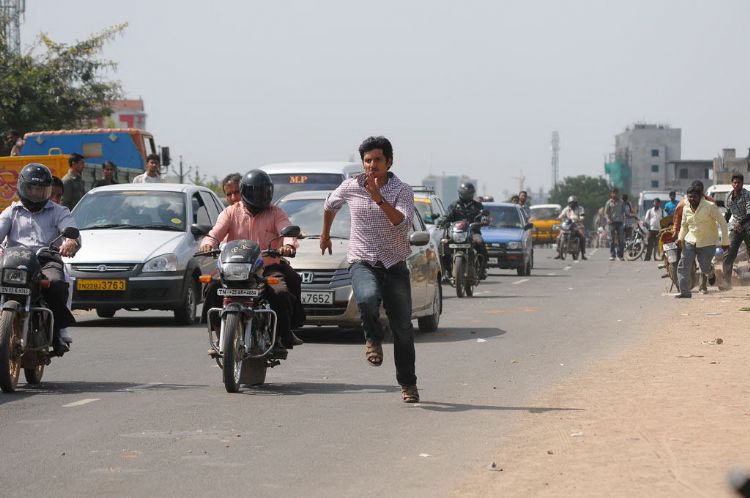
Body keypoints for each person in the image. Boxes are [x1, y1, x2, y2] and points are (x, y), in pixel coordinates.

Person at [320, 136, 419, 403]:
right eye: (367, 160)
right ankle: (373, 339)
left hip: (394, 263)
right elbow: (329, 205)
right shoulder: (351, 186)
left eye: (377, 160)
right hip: (362, 260)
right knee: (366, 297)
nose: (372, 165)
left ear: (389, 162)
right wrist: (325, 235)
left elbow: (402, 224)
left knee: (403, 330)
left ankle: (408, 384)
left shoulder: (402, 190)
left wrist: (378, 198)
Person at [198, 169, 300, 353]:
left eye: (263, 191)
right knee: (212, 287)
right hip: (234, 268)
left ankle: (280, 337)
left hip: (266, 268)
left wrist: (288, 245)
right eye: (255, 191)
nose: (260, 196)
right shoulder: (230, 212)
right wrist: (208, 244)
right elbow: (215, 233)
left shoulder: (276, 212)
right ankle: (219, 334)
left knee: (280, 292)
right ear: (245, 191)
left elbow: (286, 229)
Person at [0, 164, 79, 354]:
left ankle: (58, 331)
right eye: (32, 189)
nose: (36, 193)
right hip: (14, 260)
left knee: (56, 284)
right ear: (22, 188)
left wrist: (70, 242)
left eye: (40, 189)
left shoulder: (59, 211)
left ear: (48, 190)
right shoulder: (11, 211)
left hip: (45, 259)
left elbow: (71, 231)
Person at [675, 185, 728, 298]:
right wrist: (680, 238)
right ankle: (684, 292)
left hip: (707, 242)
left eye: (694, 197)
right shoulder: (685, 208)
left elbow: (723, 223)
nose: (692, 199)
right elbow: (684, 226)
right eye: (689, 197)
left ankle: (711, 272)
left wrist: (725, 242)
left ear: (700, 196)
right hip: (690, 240)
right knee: (683, 265)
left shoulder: (710, 206)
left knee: (704, 267)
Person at [441, 182, 489, 279]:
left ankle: (482, 268)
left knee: (480, 242)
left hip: (473, 232)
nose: (467, 195)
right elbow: (447, 216)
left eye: (469, 193)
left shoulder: (478, 205)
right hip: (456, 233)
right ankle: (447, 270)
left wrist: (484, 220)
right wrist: (443, 221)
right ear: (460, 193)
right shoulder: (454, 205)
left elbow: (483, 216)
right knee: (444, 245)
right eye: (465, 193)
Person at [721, 174, 750, 289]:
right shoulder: (728, 196)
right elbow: (728, 213)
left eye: (738, 182)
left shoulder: (747, 195)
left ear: (742, 183)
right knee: (728, 254)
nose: (736, 184)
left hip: (748, 227)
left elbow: (749, 213)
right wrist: (723, 223)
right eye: (734, 182)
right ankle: (726, 282)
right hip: (735, 229)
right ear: (731, 183)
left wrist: (741, 223)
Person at [555, 195, 586, 260]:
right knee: (559, 237)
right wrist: (558, 218)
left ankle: (583, 254)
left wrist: (580, 218)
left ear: (576, 203)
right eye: (570, 203)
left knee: (582, 236)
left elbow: (582, 215)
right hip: (567, 225)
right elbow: (561, 215)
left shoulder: (580, 208)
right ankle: (559, 253)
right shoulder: (566, 208)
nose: (572, 204)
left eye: (573, 203)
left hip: (577, 225)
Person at [604, 188, 626, 261]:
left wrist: (630, 215)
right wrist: (608, 219)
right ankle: (612, 255)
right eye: (613, 193)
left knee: (621, 239)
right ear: (611, 194)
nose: (615, 194)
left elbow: (624, 211)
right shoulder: (608, 202)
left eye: (616, 193)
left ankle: (620, 255)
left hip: (620, 222)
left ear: (618, 193)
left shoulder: (621, 202)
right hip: (612, 222)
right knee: (612, 239)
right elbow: (606, 213)